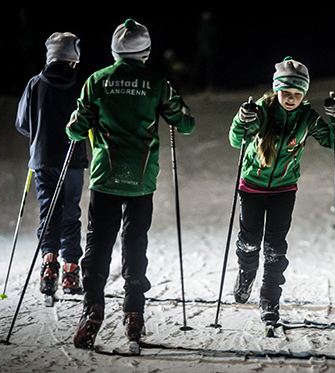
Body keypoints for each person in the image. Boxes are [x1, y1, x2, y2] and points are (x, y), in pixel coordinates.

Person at [66, 19, 196, 351]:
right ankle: (134, 312)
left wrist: (84, 121)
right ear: (146, 51)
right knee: (135, 242)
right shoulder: (157, 82)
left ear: (114, 50)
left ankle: (92, 307)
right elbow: (186, 123)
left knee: (98, 243)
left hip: (105, 177)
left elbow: (76, 129)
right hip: (141, 181)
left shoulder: (97, 81)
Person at [229, 57, 335, 325]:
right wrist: (241, 119)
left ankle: (270, 301)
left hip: (284, 189)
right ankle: (246, 275)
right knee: (249, 243)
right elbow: (237, 139)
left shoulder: (306, 117)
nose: (291, 99)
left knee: (275, 248)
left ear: (303, 94)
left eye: (297, 94)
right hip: (252, 186)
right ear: (276, 90)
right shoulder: (260, 110)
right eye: (286, 93)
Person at [15, 32, 88, 299]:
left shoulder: (35, 84)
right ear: (73, 58)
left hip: (43, 159)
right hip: (73, 160)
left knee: (49, 212)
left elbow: (23, 124)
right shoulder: (81, 85)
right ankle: (70, 271)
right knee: (71, 213)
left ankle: (49, 267)